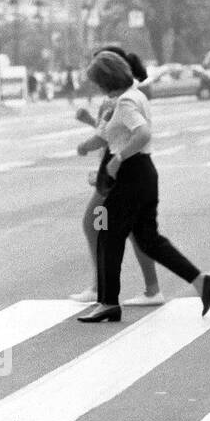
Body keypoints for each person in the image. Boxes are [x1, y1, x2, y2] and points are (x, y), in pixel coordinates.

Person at [75, 50, 210, 325]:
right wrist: (85, 146)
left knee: (107, 235)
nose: (97, 87)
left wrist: (118, 159)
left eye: (98, 82)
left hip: (130, 175)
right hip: (144, 174)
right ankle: (201, 282)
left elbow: (142, 133)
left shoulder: (126, 102)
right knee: (148, 239)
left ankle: (107, 302)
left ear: (106, 80)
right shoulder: (134, 96)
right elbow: (108, 134)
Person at [74, 44, 160, 305]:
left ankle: (103, 286)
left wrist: (95, 153)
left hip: (120, 172)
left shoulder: (119, 101)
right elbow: (110, 133)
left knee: (94, 223)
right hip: (121, 170)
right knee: (131, 230)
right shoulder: (127, 97)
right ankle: (150, 288)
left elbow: (106, 136)